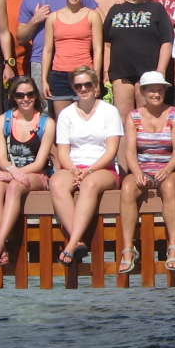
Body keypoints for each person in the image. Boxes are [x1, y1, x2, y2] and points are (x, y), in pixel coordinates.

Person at [48, 64, 124, 267]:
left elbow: (111, 151)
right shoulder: (66, 114)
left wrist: (89, 170)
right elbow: (63, 151)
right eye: (78, 86)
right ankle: (78, 241)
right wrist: (73, 169)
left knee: (89, 184)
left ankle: (70, 244)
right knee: (56, 182)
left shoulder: (110, 111)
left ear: (96, 87)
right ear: (73, 88)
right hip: (74, 166)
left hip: (103, 168)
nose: (83, 89)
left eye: (87, 85)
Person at [117, 72, 175, 277]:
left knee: (168, 186)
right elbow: (129, 151)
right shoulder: (133, 116)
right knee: (128, 187)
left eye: (160, 89)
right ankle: (128, 248)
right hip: (143, 168)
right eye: (152, 89)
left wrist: (167, 169)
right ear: (143, 92)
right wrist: (137, 172)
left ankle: (173, 246)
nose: (156, 93)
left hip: (169, 167)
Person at [0, 77, 55, 264]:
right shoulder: (3, 120)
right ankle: (2, 250)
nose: (26, 99)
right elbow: (0, 158)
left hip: (38, 175)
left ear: (36, 96)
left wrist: (12, 173)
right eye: (20, 95)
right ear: (13, 97)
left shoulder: (46, 122)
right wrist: (10, 170)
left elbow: (40, 163)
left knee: (15, 186)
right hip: (12, 171)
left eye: (30, 94)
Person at [102, 0, 173, 117]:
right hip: (121, 73)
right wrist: (106, 71)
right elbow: (107, 43)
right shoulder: (115, 10)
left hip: (148, 72)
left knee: (147, 118)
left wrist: (160, 71)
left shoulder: (156, 9)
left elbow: (166, 42)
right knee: (123, 119)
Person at [41, 0, 105, 116]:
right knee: (63, 120)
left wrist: (96, 78)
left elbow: (98, 49)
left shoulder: (92, 15)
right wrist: (44, 80)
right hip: (59, 75)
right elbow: (48, 50)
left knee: (86, 119)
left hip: (85, 74)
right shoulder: (53, 17)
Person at [16, 0, 68, 92]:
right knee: (44, 109)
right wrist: (35, 20)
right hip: (39, 61)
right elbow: (21, 39)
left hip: (68, 60)